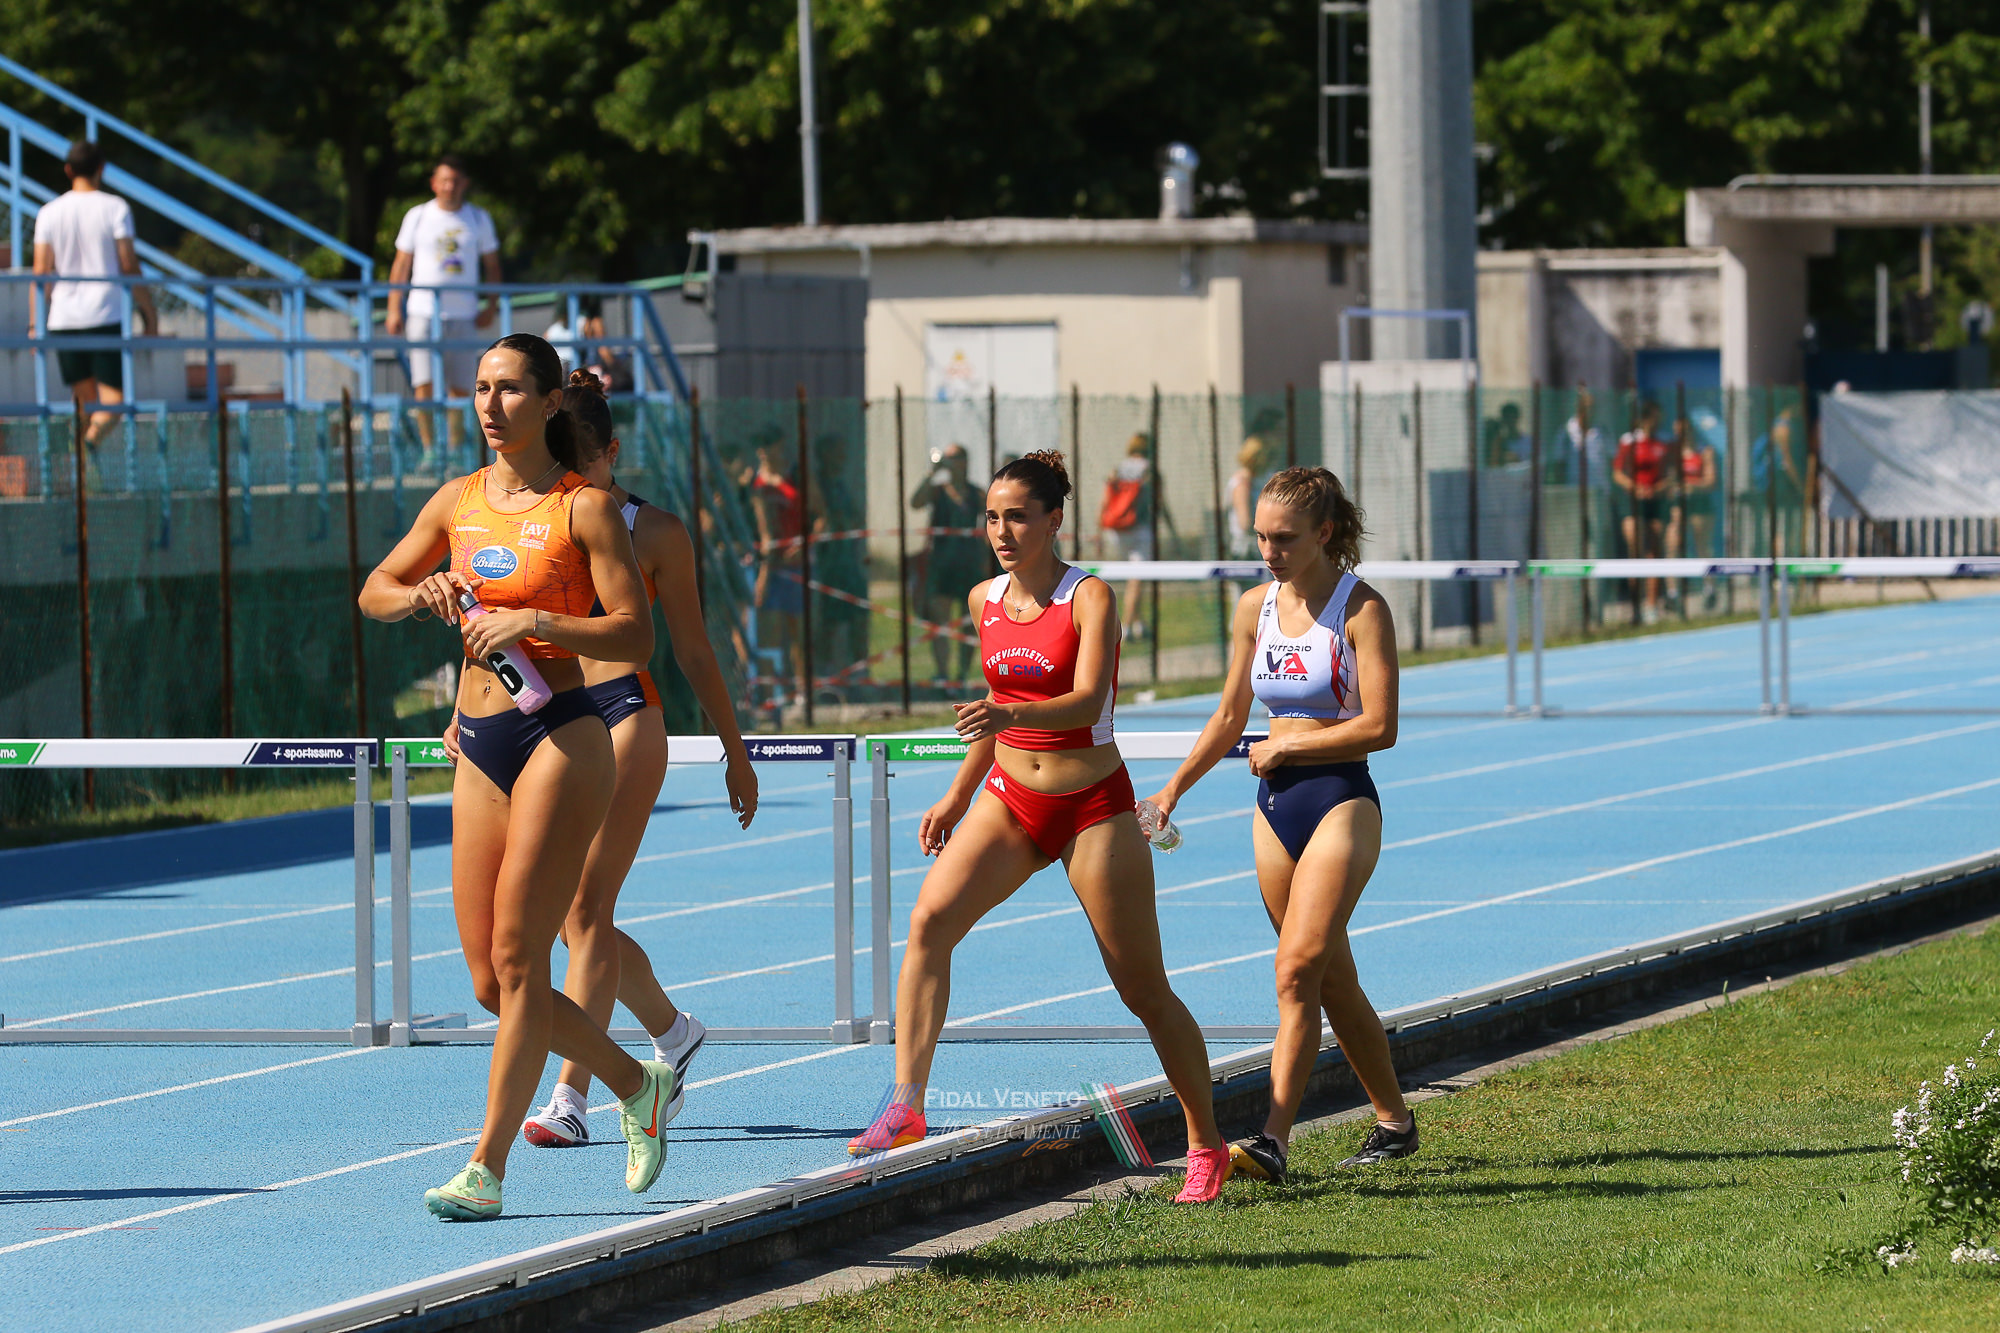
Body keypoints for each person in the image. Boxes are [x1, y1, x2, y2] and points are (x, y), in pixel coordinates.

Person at [848, 450, 1233, 1204]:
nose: (1002, 531)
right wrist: (958, 794)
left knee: (1143, 988)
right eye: (992, 517)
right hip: (1010, 797)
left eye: (1018, 517)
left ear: (1055, 519)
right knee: (928, 923)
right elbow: (991, 714)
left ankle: (1205, 1142)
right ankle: (906, 1103)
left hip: (1091, 806)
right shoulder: (982, 599)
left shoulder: (1090, 597)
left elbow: (1088, 701)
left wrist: (1007, 713)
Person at [358, 334, 674, 1221]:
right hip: (478, 741)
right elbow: (374, 588)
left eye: (508, 390)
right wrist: (419, 595)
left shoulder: (586, 509)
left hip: (561, 737)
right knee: (489, 983)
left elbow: (636, 636)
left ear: (548, 403)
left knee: (520, 956)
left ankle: (485, 1167)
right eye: (480, 388)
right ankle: (634, 1082)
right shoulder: (458, 500)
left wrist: (536, 619)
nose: (490, 405)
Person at [436, 370, 762, 1150]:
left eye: (584, 465)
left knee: (583, 913)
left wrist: (734, 747)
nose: (572, 479)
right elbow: (485, 610)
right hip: (531, 714)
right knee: (560, 926)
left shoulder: (650, 530)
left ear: (609, 455)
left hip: (621, 712)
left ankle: (572, 1096)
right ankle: (672, 1030)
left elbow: (691, 648)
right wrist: (463, 708)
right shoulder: (526, 508)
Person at [1145, 466, 1414, 1184]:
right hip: (1273, 807)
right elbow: (1230, 716)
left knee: (1295, 970)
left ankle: (1272, 1140)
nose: (1270, 551)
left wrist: (1293, 746)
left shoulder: (1362, 609)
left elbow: (1381, 725)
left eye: (1285, 538)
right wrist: (1172, 790)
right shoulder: (1253, 607)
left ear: (1324, 532)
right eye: (1261, 537)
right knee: (1329, 979)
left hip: (1342, 800)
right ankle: (1395, 1122)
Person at [30, 140, 158, 452]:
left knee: (84, 401)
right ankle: (87, 446)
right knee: (114, 403)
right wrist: (149, 312)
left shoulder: (48, 212)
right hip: (105, 313)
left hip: (64, 317)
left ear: (68, 170)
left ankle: (79, 466)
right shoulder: (115, 207)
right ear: (101, 169)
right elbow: (128, 265)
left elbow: (41, 272)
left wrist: (35, 324)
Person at [386, 155, 502, 463]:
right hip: (423, 311)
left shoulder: (478, 218)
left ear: (464, 184)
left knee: (462, 387)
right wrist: (394, 307)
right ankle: (429, 451)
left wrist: (491, 304)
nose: (450, 187)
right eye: (444, 180)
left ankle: (453, 451)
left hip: (464, 313)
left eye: (455, 181)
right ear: (434, 183)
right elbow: (401, 264)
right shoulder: (418, 215)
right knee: (423, 383)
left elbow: (492, 265)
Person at [909, 443, 985, 689]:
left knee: (968, 621)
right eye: (948, 457)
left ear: (965, 461)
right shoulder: (938, 491)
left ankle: (962, 673)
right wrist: (932, 472)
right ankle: (942, 672)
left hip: (969, 564)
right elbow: (915, 502)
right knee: (939, 620)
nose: (951, 462)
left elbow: (990, 519)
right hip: (941, 563)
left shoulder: (976, 493)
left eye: (956, 457)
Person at [1099, 432, 1173, 641]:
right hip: (1139, 528)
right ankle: (1126, 626)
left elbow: (1105, 501)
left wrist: (1099, 529)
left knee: (1134, 579)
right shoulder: (1150, 471)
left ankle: (1139, 623)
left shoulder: (1118, 469)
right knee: (1137, 579)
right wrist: (1172, 531)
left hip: (1116, 530)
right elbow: (1160, 503)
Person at [1612, 400, 1671, 623]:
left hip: (1655, 501)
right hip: (1632, 502)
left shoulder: (1664, 442)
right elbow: (1617, 473)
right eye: (1655, 418)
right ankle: (1635, 605)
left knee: (1654, 552)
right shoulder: (1629, 441)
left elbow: (1671, 473)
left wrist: (1658, 488)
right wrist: (1634, 487)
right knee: (1634, 547)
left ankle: (1651, 606)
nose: (1658, 422)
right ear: (1645, 419)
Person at [1227, 435, 1268, 560]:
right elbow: (1245, 523)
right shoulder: (1242, 484)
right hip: (1245, 551)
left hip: (1253, 547)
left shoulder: (1253, 481)